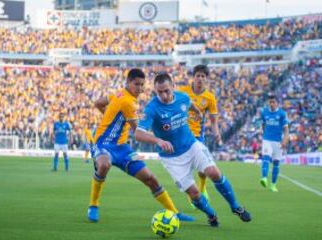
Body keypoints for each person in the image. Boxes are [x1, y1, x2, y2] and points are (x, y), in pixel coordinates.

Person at [135, 73, 251, 227]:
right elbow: (138, 133)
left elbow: (189, 104)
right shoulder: (152, 108)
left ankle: (236, 206)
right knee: (194, 194)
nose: (163, 95)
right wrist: (158, 140)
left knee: (214, 172)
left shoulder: (182, 97)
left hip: (191, 145)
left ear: (173, 87)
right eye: (159, 92)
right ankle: (211, 215)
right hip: (172, 158)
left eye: (166, 91)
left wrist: (196, 111)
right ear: (155, 91)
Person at [87, 68, 193, 223]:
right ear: (128, 83)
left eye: (142, 85)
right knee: (104, 164)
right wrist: (159, 140)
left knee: (150, 179)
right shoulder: (128, 102)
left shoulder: (117, 94)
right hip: (103, 144)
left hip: (122, 148)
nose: (140, 88)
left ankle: (174, 212)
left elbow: (98, 103)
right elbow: (138, 130)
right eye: (137, 84)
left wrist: (108, 117)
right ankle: (93, 205)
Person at [179, 64, 222, 202]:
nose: (200, 79)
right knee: (185, 168)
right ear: (193, 77)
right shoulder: (182, 92)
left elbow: (213, 121)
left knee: (203, 168)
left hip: (198, 136)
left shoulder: (210, 98)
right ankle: (192, 195)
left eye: (203, 76)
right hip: (181, 135)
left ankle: (202, 188)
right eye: (197, 75)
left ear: (206, 79)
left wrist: (217, 133)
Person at [259, 94, 289, 192]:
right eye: (270, 102)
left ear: (277, 103)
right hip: (267, 139)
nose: (271, 104)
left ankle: (273, 185)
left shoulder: (282, 114)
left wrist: (285, 139)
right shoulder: (264, 112)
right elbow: (263, 125)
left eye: (273, 102)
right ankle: (264, 178)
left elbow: (285, 128)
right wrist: (264, 134)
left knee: (276, 162)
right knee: (266, 157)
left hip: (278, 141)